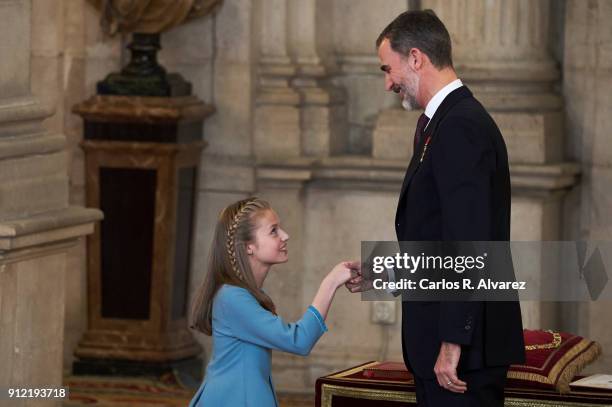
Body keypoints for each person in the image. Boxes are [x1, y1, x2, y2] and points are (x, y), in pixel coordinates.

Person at [346, 10, 525, 407]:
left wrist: (453, 342)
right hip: (447, 348)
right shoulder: (441, 122)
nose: (387, 82)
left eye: (387, 69)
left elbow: (470, 242)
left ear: (415, 58)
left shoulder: (460, 125)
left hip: (463, 354)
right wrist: (387, 269)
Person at [189, 197, 358, 407]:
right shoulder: (233, 297)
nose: (285, 236)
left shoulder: (244, 293)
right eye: (274, 231)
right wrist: (330, 283)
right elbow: (299, 341)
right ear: (249, 246)